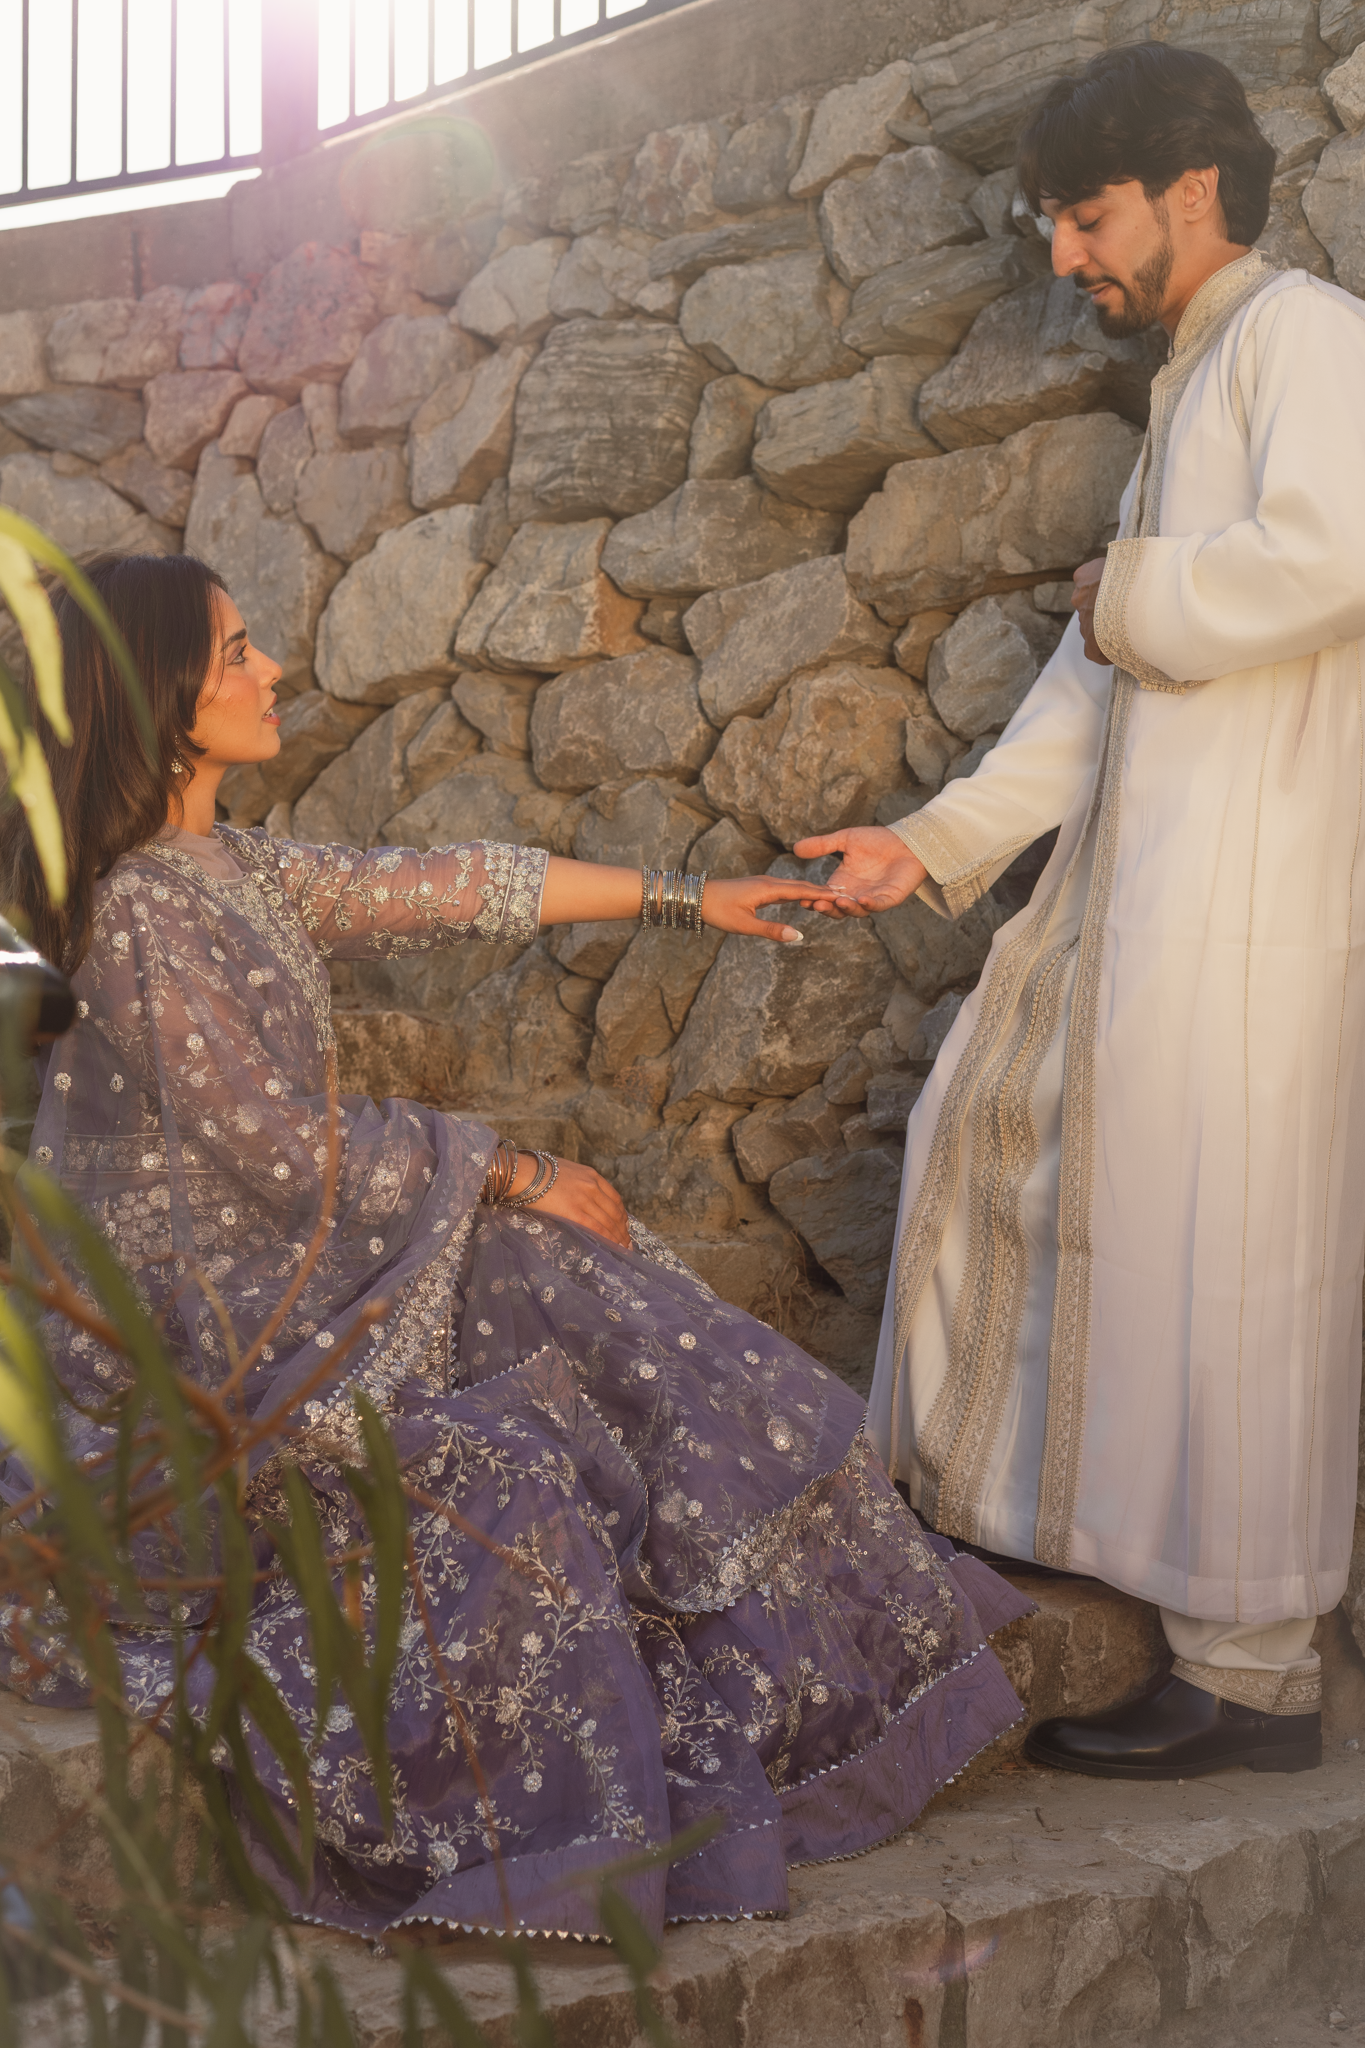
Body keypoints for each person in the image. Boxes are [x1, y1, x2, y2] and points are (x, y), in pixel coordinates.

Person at [0, 551, 1029, 1940]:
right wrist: (510, 1166)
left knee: (570, 1280)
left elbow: (448, 884)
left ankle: (830, 1636)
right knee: (532, 1318)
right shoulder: (136, 912)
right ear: (162, 697)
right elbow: (273, 1148)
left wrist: (694, 900)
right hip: (203, 1332)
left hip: (298, 1266)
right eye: (237, 653)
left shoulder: (226, 864)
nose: (272, 671)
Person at [799, 42, 1365, 1780]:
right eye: (1052, 223)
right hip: (1150, 903)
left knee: (1241, 1262)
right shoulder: (1191, 381)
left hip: (1258, 901)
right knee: (1085, 1201)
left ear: (1194, 188)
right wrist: (933, 842)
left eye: (1084, 216)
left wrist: (1131, 589)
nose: (1065, 259)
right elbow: (1089, 679)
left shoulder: (1303, 340)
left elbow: (1338, 552)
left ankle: (1258, 1671)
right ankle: (1127, 1584)